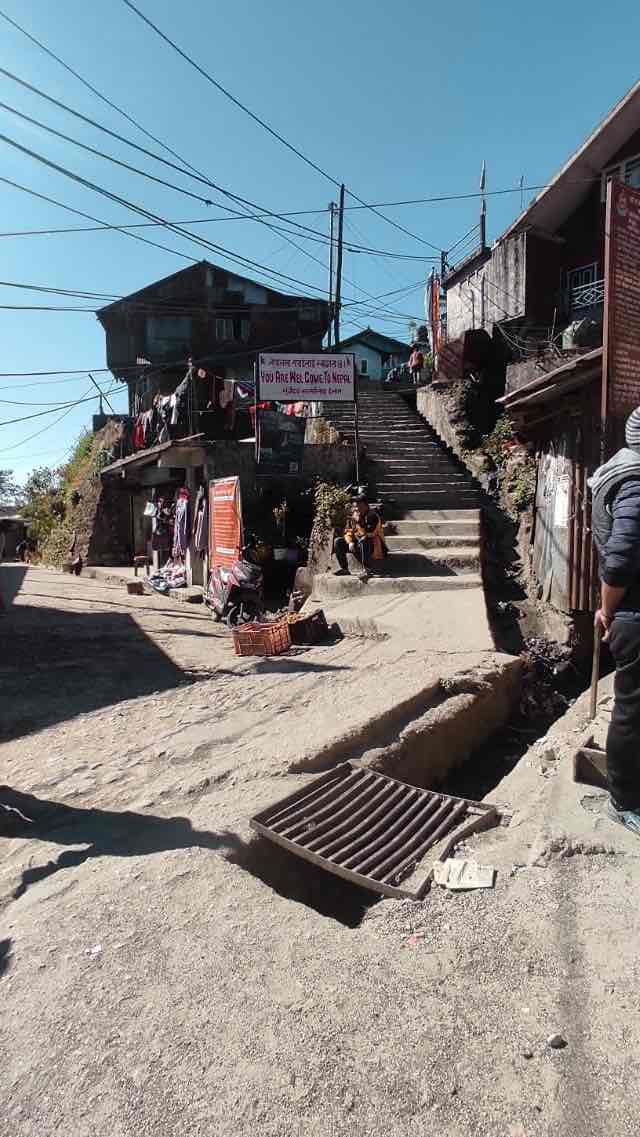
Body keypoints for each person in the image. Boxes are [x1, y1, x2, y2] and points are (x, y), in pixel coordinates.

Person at [590, 405, 640, 836]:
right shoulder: (636, 483)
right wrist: (607, 609)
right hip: (633, 614)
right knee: (633, 711)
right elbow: (620, 560)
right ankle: (623, 801)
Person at [334, 496, 386, 576]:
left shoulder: (373, 516)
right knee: (338, 541)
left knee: (364, 540)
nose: (357, 509)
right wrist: (350, 542)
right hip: (357, 542)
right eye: (355, 506)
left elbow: (371, 533)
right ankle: (344, 568)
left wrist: (358, 523)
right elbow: (348, 531)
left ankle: (367, 569)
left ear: (366, 505)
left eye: (359, 506)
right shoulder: (354, 515)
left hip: (374, 544)